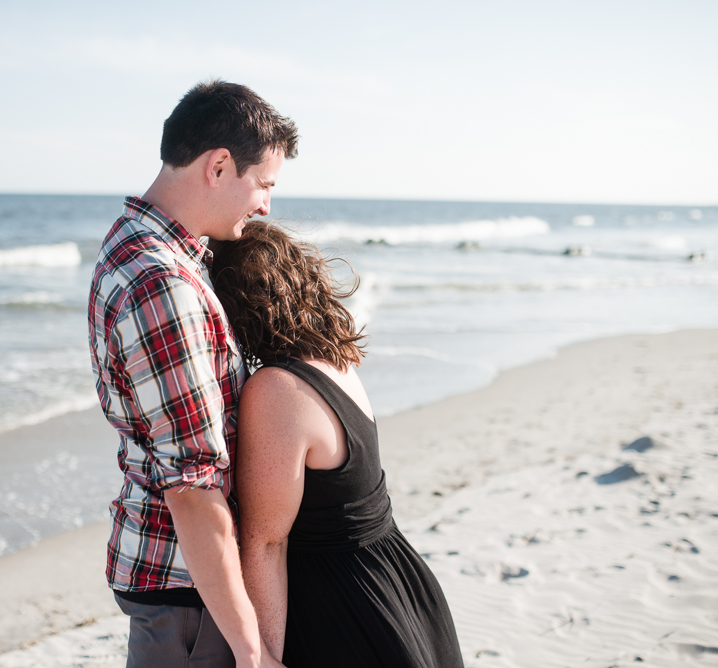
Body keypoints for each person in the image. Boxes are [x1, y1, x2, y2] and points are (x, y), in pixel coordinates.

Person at [88, 81, 297, 668]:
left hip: (180, 580)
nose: (265, 206)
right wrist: (252, 651)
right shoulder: (163, 284)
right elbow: (192, 489)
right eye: (265, 184)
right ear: (220, 166)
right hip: (188, 587)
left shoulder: (138, 246)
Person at [208, 221, 464, 668]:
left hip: (348, 604)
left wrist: (265, 656)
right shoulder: (336, 361)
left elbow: (268, 543)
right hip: (398, 581)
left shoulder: (277, 388)